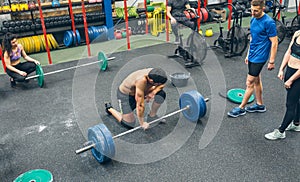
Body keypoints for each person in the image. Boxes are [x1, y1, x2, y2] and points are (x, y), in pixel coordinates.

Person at [227, 0, 278, 118]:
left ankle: (241, 108)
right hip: (252, 54)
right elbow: (253, 39)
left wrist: (272, 61)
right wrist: (248, 54)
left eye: (256, 10)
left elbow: (274, 42)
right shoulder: (253, 19)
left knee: (249, 82)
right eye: (252, 10)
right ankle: (260, 105)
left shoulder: (269, 22)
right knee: (256, 80)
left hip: (260, 57)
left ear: (263, 8)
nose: (253, 13)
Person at [265, 30, 300, 140]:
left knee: (290, 104)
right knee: (296, 100)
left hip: (298, 75)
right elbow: (288, 52)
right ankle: (296, 123)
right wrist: (281, 69)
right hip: (290, 70)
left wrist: (290, 80)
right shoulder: (297, 33)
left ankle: (281, 131)